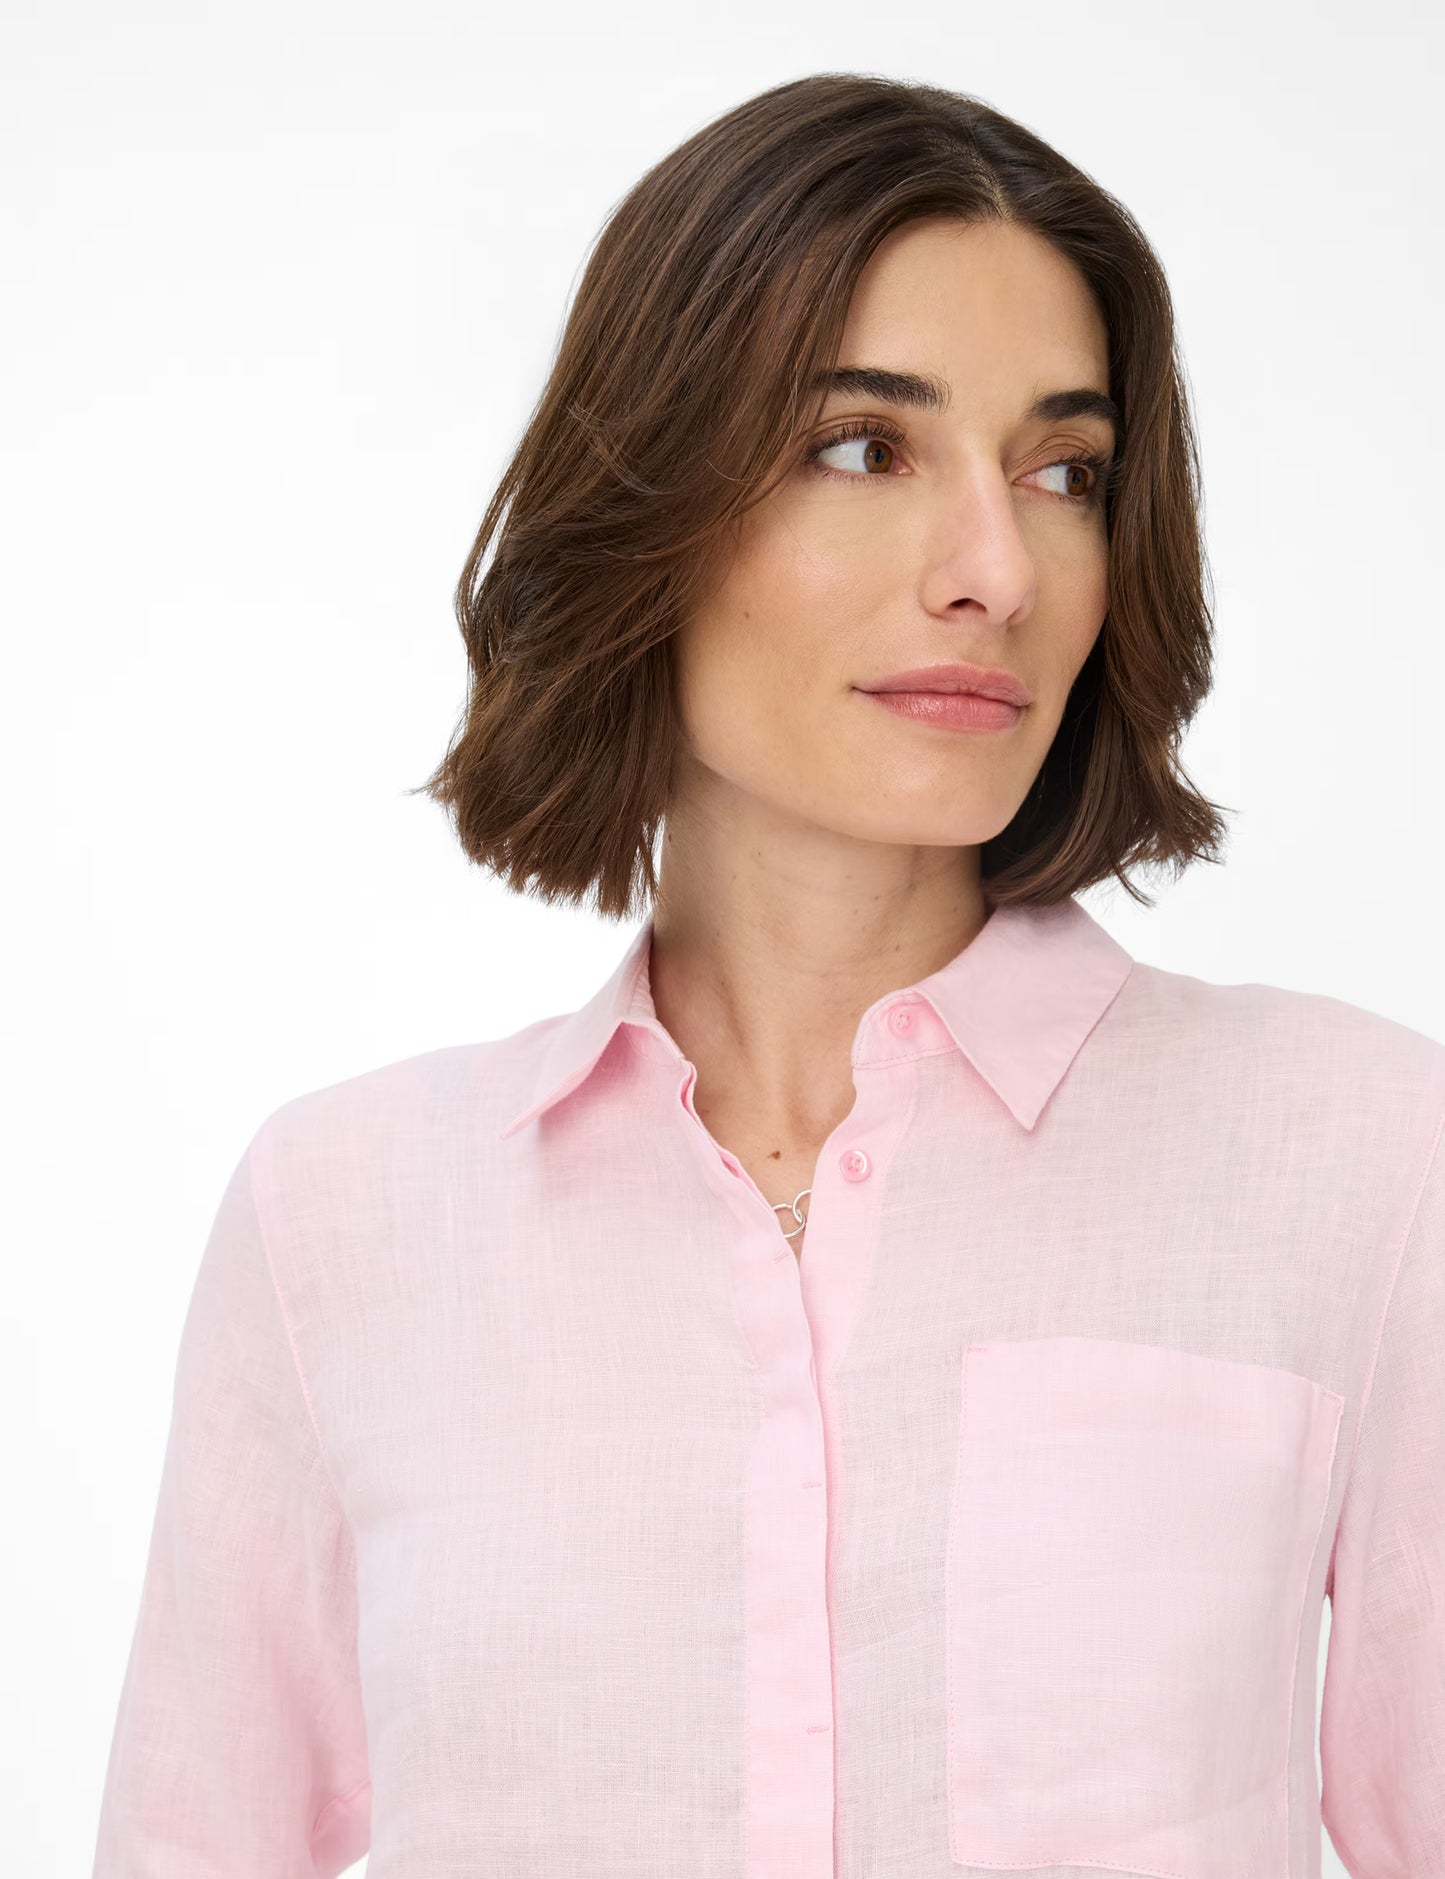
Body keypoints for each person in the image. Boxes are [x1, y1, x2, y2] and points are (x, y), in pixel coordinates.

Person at [91, 72, 1443, 1879]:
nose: (996, 570)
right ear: (646, 507)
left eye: (1063, 472)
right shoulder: (339, 1224)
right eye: (864, 448)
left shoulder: (1358, 1161)